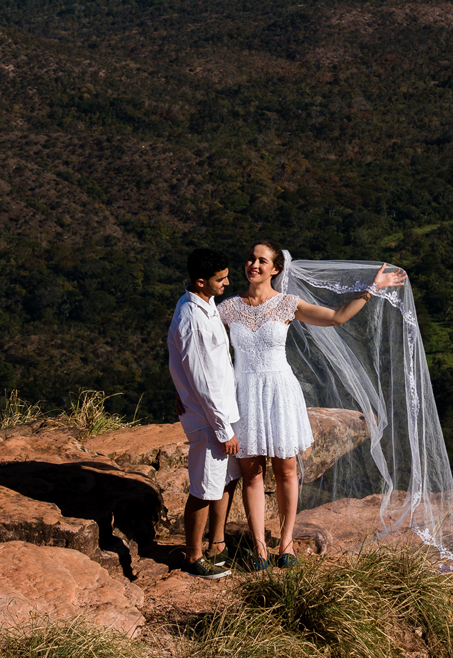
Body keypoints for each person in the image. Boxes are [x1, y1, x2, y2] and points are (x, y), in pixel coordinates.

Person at [218, 241, 407, 569]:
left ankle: (286, 542)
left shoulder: (287, 304)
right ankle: (260, 547)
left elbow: (336, 318)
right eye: (251, 258)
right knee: (252, 473)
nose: (254, 265)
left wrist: (371, 289)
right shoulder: (228, 308)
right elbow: (205, 350)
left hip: (279, 392)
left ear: (275, 269)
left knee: (286, 469)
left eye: (262, 261)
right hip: (244, 393)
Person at [168, 248, 241, 579]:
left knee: (224, 480)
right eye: (220, 279)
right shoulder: (193, 317)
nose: (227, 282)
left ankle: (217, 545)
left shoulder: (203, 304)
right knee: (203, 486)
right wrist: (224, 430)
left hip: (218, 411)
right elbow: (202, 379)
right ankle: (194, 556)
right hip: (209, 419)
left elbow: (185, 364)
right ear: (201, 281)